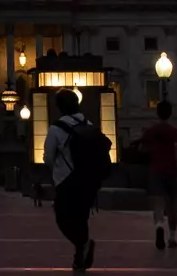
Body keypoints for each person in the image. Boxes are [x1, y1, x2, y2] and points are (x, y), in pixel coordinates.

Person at [44, 89, 112, 272]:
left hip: (67, 180)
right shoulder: (88, 124)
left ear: (59, 107)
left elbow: (48, 157)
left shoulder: (56, 129)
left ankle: (84, 244)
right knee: (81, 218)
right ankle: (79, 257)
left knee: (63, 217)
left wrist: (55, 170)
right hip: (90, 179)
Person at [140, 100, 177, 249]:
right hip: (172, 170)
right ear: (170, 113)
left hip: (156, 169)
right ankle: (172, 237)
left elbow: (143, 150)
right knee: (172, 205)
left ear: (157, 113)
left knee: (158, 203)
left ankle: (159, 225)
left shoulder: (150, 131)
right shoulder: (174, 131)